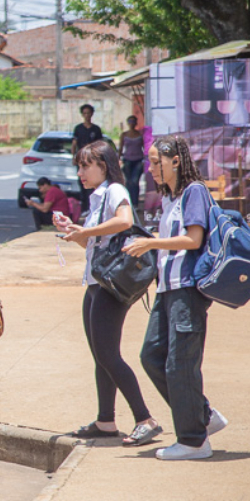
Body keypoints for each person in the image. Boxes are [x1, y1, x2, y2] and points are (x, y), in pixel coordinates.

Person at [122, 136, 229, 460]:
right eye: (150, 162)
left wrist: (151, 244)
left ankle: (194, 440)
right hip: (167, 290)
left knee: (179, 364)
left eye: (156, 162)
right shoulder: (171, 197)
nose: (151, 168)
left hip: (186, 290)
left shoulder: (193, 191)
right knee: (152, 356)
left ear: (175, 161)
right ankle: (203, 416)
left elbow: (193, 240)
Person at [57, 141, 162, 446]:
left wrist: (86, 231)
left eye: (85, 165)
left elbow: (126, 221)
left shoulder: (115, 190)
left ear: (104, 165)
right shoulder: (98, 197)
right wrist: (75, 231)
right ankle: (106, 421)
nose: (80, 172)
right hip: (96, 284)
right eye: (79, 166)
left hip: (109, 288)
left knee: (108, 355)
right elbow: (95, 246)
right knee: (100, 356)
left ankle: (145, 419)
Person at [119, 115, 146, 207]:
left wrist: (145, 159)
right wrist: (118, 159)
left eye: (133, 121)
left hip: (138, 160)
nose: (131, 123)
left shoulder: (140, 135)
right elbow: (120, 148)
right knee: (128, 181)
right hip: (127, 160)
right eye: (130, 121)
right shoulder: (124, 135)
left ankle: (135, 203)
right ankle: (128, 201)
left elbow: (144, 147)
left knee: (135, 181)